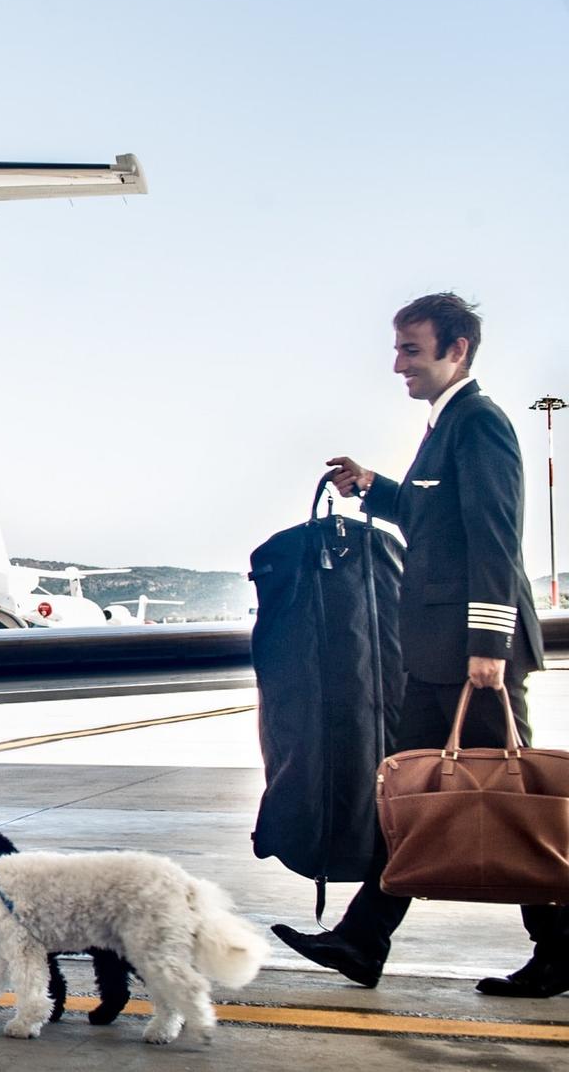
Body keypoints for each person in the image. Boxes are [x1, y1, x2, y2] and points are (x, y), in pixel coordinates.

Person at [274, 293, 562, 997]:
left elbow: (495, 537)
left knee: (513, 801)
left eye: (411, 348)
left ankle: (561, 947)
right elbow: (432, 520)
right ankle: (362, 937)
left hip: (472, 657)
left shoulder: (479, 422)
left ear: (455, 349)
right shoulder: (445, 426)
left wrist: (488, 645)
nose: (398, 364)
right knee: (407, 794)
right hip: (439, 654)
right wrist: (373, 487)